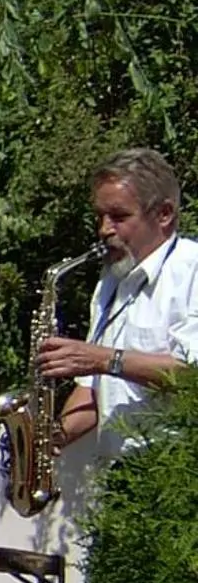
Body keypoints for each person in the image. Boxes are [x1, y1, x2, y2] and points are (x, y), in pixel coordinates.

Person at [36, 147, 198, 459]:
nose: (104, 230)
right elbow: (94, 390)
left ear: (164, 214)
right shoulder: (110, 283)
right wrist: (50, 439)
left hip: (179, 473)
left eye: (119, 217)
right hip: (121, 478)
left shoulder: (191, 269)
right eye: (100, 217)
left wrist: (104, 359)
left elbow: (191, 374)